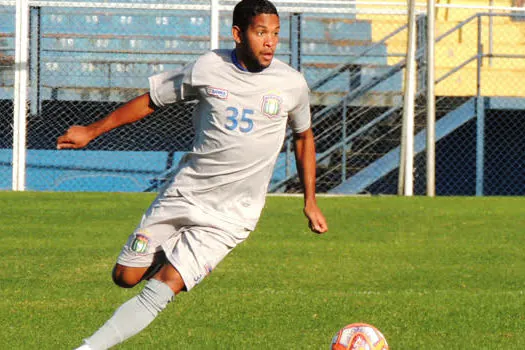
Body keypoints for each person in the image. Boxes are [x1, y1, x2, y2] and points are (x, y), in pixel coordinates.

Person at [57, 0, 328, 348]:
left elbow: (304, 137)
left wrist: (310, 201)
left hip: (232, 215)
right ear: (238, 34)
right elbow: (151, 100)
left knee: (165, 285)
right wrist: (92, 131)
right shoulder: (207, 68)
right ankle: (174, 255)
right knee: (125, 277)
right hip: (185, 194)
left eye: (275, 34)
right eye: (261, 32)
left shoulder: (291, 84)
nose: (270, 42)